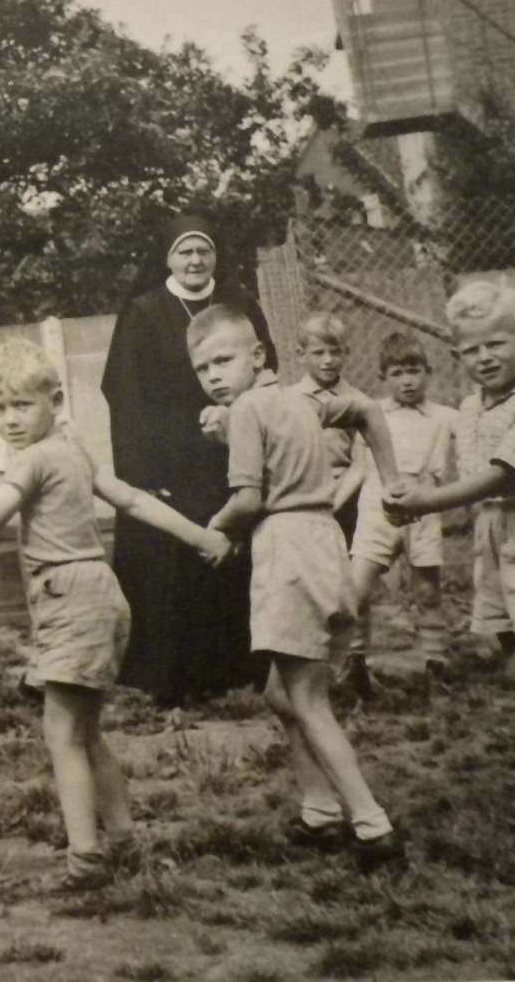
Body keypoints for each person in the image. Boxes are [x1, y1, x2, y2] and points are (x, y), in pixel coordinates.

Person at [0, 340, 232, 890]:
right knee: (87, 732)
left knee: (61, 734)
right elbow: (134, 501)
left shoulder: (33, 459)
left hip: (70, 597)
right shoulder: (74, 450)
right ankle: (122, 842)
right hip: (99, 592)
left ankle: (85, 860)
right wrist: (202, 535)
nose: (10, 419)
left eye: (22, 405)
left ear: (55, 400)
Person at [191, 305, 407, 869]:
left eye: (224, 359)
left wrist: (210, 531)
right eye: (202, 368)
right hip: (325, 542)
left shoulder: (248, 411)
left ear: (258, 356)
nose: (213, 375)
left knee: (307, 700)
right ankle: (319, 812)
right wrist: (393, 479)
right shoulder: (298, 399)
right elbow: (365, 409)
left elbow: (249, 500)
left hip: (287, 547)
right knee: (281, 693)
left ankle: (372, 825)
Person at [386, 282, 515, 816]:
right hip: (496, 536)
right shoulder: (469, 407)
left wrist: (423, 503)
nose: (484, 358)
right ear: (457, 353)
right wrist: (405, 494)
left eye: (496, 345)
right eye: (472, 349)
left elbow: (498, 475)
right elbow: (462, 477)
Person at [100, 213, 275, 707]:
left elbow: (268, 368)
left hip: (229, 450)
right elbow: (125, 393)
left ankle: (244, 668)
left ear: (216, 256)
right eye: (185, 252)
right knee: (174, 558)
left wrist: (233, 416)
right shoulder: (145, 311)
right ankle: (177, 680)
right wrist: (144, 470)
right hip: (168, 460)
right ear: (168, 259)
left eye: (203, 251)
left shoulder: (240, 304)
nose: (195, 260)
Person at [342, 332, 457, 689]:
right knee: (356, 589)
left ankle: (435, 666)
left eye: (414, 371)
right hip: (378, 506)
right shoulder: (372, 414)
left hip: (424, 506)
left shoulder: (444, 417)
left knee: (427, 591)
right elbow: (359, 468)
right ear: (383, 377)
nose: (407, 381)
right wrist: (331, 502)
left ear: (428, 371)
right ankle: (356, 664)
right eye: (397, 373)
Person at [289, 312, 374, 699]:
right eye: (318, 352)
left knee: (352, 587)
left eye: (335, 351)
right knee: (308, 586)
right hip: (304, 500)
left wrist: (337, 503)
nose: (327, 361)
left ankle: (357, 665)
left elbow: (361, 462)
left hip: (346, 501)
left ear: (346, 353)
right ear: (301, 354)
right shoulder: (289, 401)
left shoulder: (356, 401)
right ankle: (313, 670)